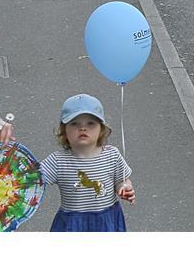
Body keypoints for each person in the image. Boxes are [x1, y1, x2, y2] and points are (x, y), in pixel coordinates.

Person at [39, 94, 135, 232]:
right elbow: (32, 179)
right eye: (74, 123)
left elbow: (122, 180)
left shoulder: (112, 155)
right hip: (72, 223)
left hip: (107, 220)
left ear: (101, 129)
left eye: (91, 123)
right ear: (64, 130)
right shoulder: (57, 161)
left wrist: (125, 187)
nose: (83, 128)